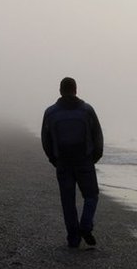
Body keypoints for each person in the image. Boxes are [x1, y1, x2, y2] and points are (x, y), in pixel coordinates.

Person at [41, 77, 104, 248]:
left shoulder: (51, 113)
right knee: (91, 196)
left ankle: (73, 239)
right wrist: (94, 158)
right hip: (84, 161)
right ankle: (86, 225)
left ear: (60, 91)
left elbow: (45, 140)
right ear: (76, 90)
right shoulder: (87, 110)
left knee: (68, 201)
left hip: (63, 162)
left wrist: (54, 159)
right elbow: (98, 136)